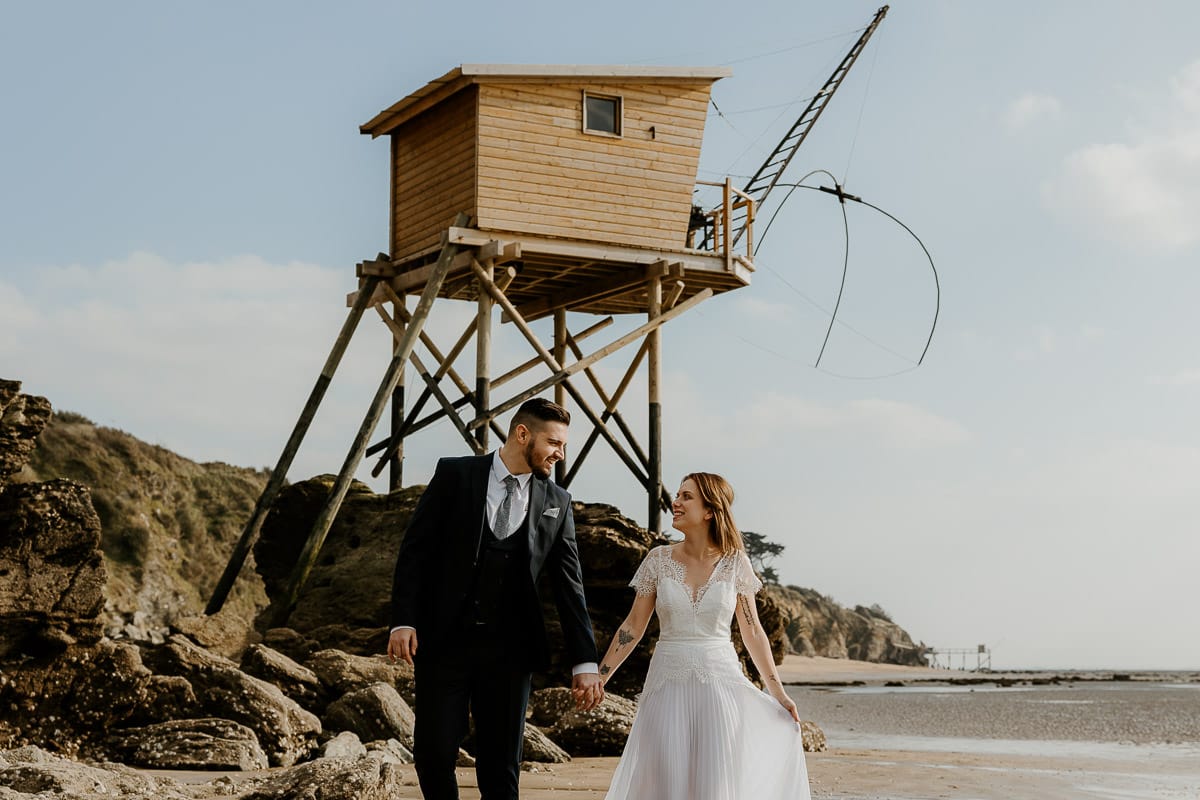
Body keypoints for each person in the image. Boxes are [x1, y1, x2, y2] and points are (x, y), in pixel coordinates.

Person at [387, 397, 604, 800]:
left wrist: (585, 660)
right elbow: (415, 551)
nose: (560, 454)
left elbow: (569, 585)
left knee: (501, 763)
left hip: (511, 652)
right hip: (444, 643)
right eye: (554, 443)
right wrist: (404, 619)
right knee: (433, 753)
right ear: (523, 434)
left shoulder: (557, 501)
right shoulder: (456, 475)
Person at [598, 472, 811, 800]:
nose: (676, 502)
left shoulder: (735, 563)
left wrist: (778, 693)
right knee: (664, 781)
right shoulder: (657, 559)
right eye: (678, 495)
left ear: (710, 511)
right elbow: (633, 626)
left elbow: (753, 630)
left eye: (686, 496)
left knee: (715, 785)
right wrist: (601, 677)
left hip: (721, 686)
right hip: (665, 685)